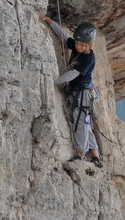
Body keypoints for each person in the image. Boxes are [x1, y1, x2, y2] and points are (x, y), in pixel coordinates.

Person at [41, 16, 103, 168]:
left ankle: (80, 154)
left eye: (82, 45)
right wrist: (51, 23)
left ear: (89, 45)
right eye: (77, 43)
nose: (78, 47)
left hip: (82, 93)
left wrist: (53, 81)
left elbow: (72, 74)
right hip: (80, 92)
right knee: (85, 122)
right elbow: (64, 38)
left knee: (81, 122)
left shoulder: (89, 59)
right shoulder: (76, 46)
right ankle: (95, 155)